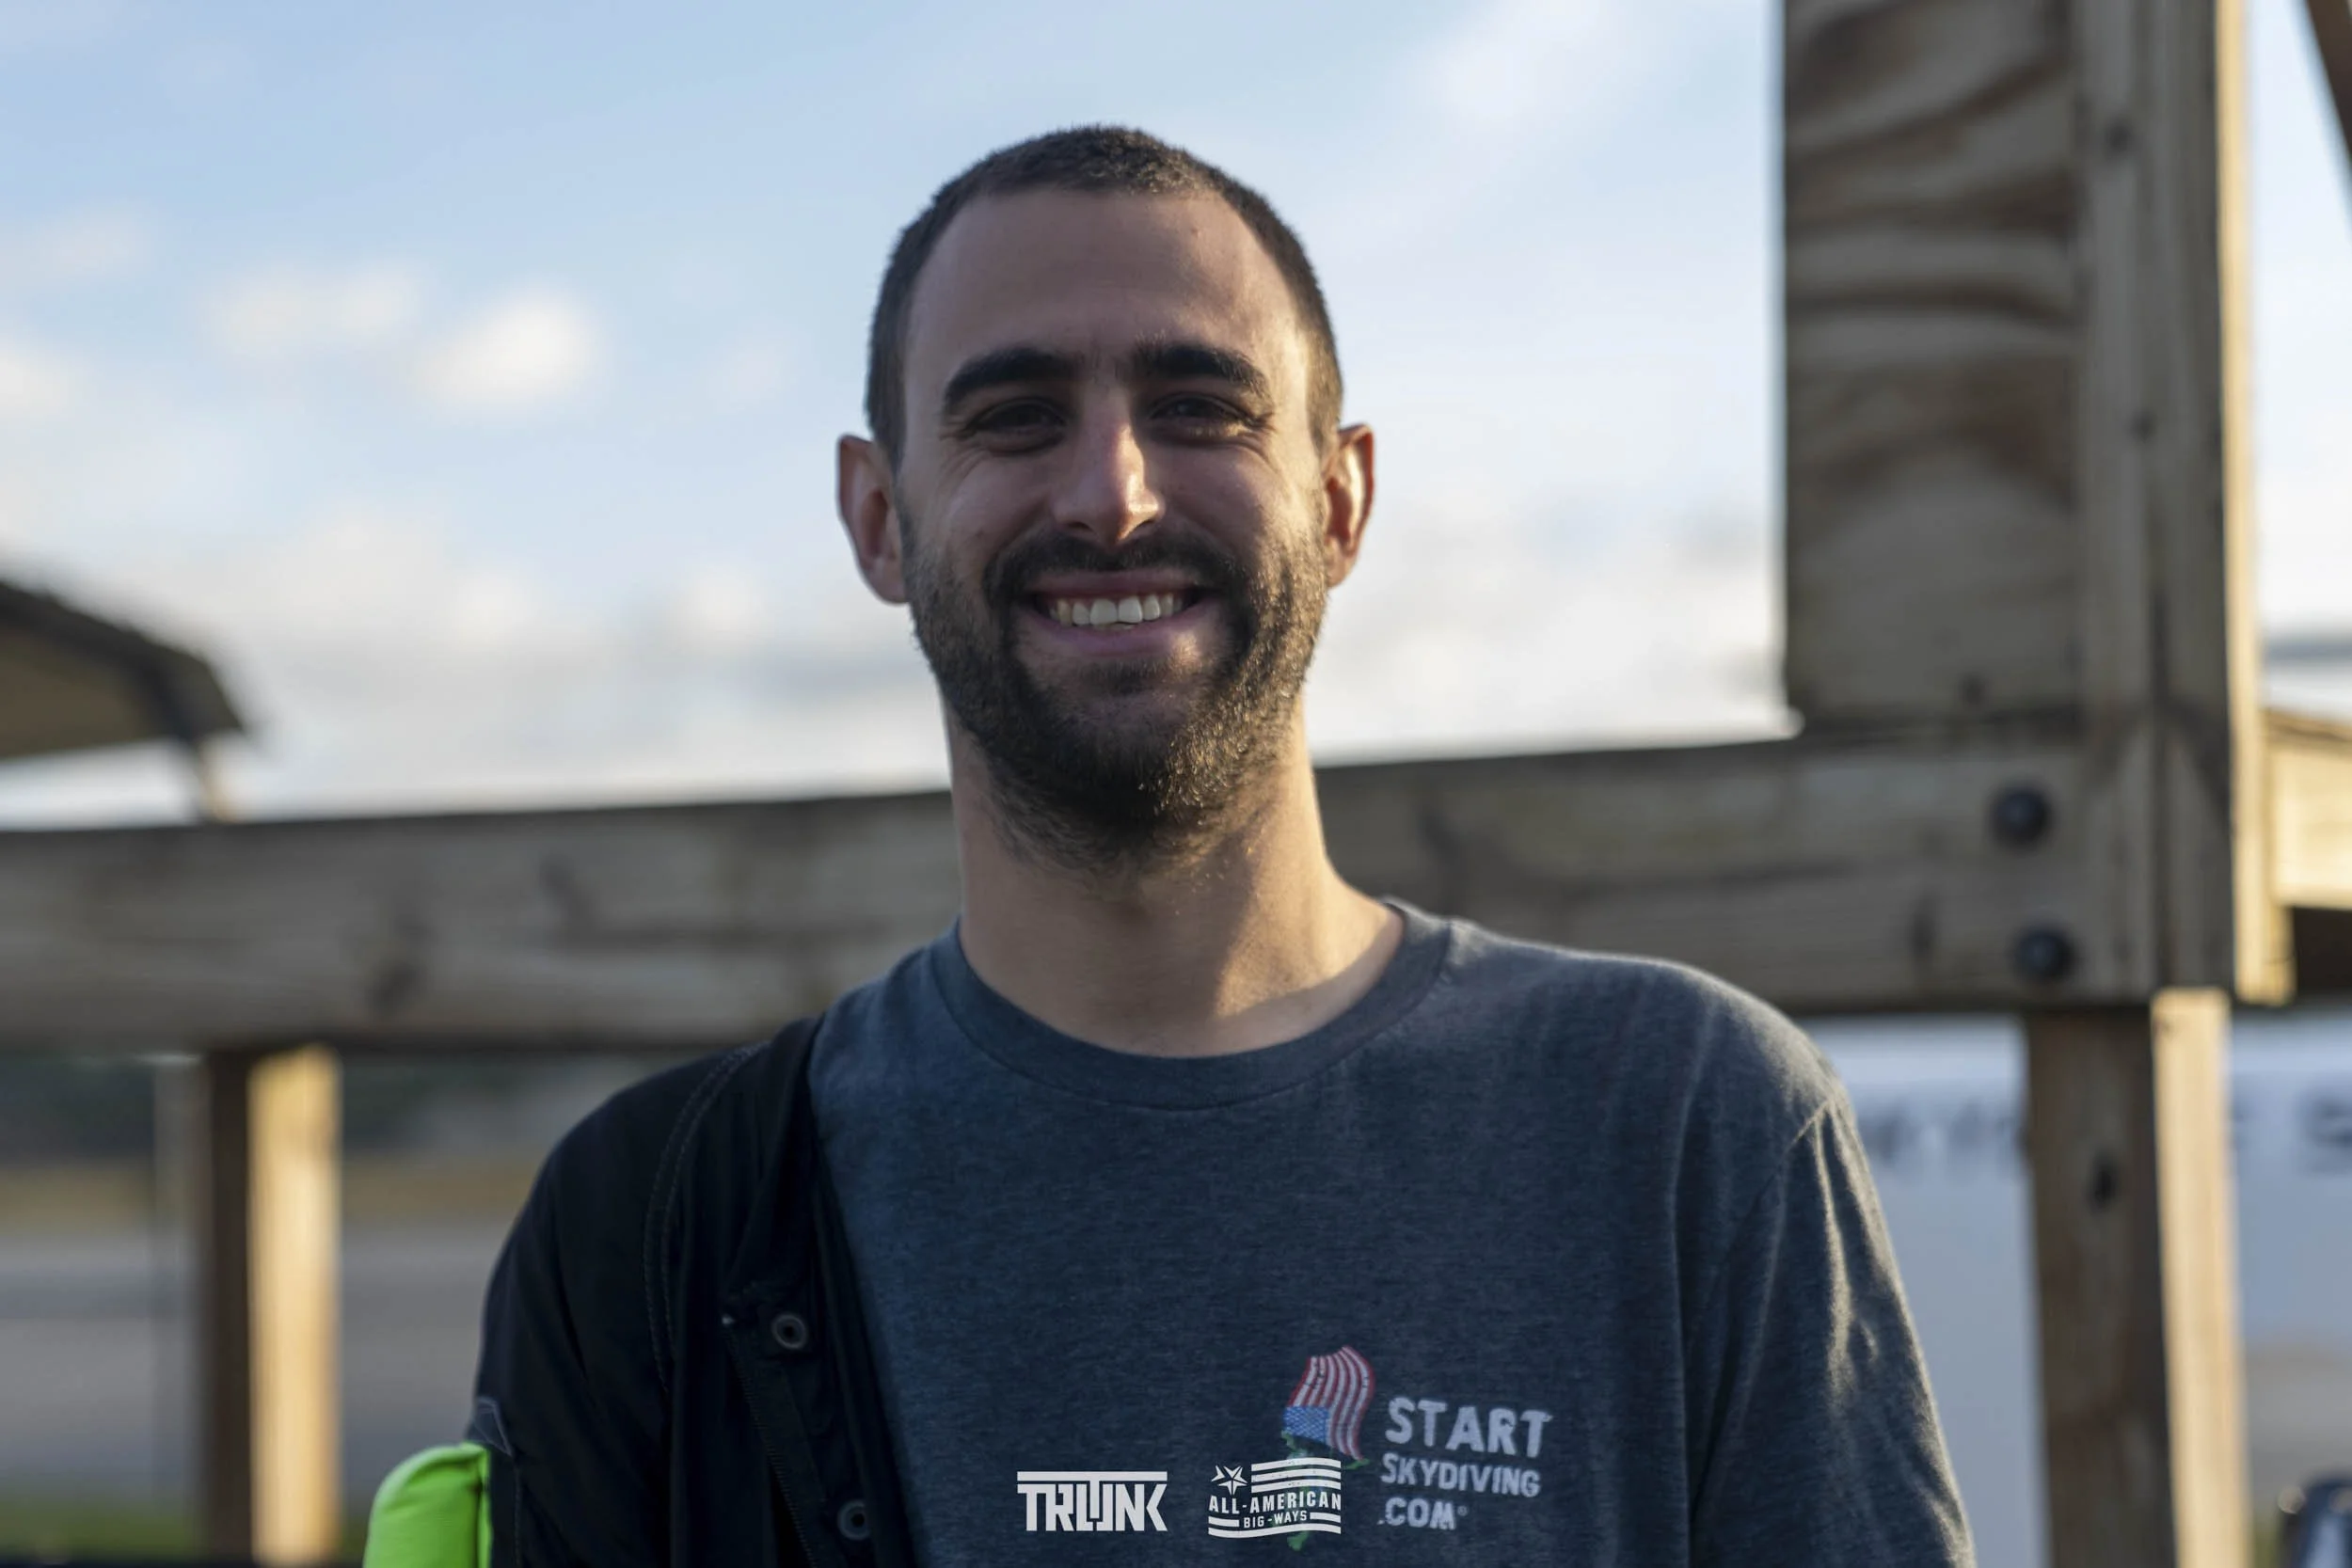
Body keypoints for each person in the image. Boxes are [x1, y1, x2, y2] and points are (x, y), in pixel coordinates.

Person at [403, 126, 1974, 1567]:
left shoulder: (1688, 1123)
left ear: (1341, 497)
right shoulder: (662, 1219)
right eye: (1016, 418)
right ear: (878, 519)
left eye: (1200, 407)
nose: (1114, 493)